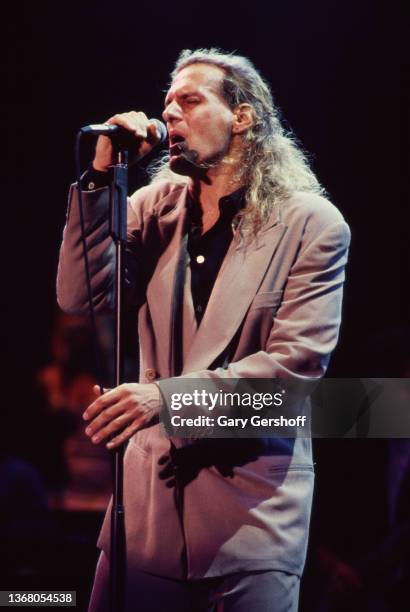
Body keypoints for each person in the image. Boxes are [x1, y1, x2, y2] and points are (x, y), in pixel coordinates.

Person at [57, 48, 351, 612]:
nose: (170, 114)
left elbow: (293, 373)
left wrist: (162, 401)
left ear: (243, 117)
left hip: (251, 516)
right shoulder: (147, 208)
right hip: (145, 515)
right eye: (167, 104)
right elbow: (82, 297)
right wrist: (99, 183)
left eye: (190, 101)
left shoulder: (310, 224)